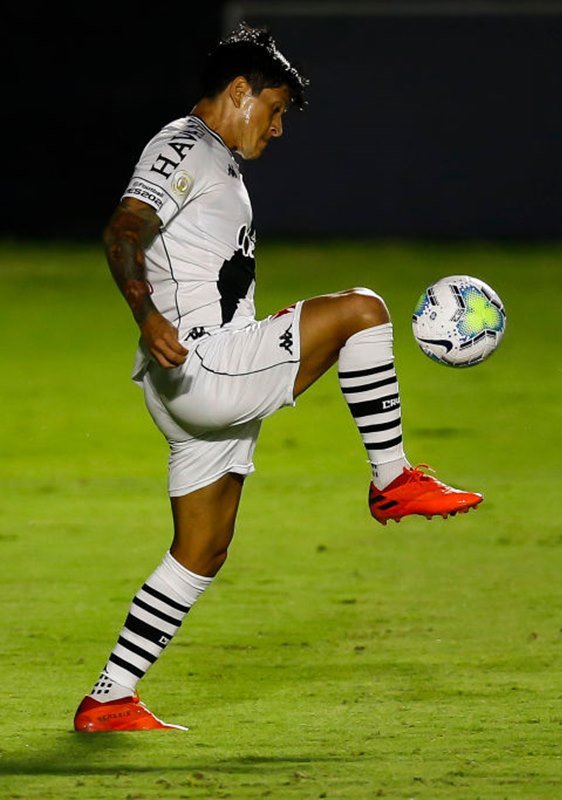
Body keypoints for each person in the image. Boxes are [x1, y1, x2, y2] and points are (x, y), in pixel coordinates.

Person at [73, 23, 482, 733]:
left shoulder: (215, 161)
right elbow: (122, 229)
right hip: (204, 367)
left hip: (193, 385)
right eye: (276, 108)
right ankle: (392, 479)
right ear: (238, 91)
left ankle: (109, 697)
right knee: (363, 311)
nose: (279, 127)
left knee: (202, 549)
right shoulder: (185, 146)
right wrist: (145, 314)